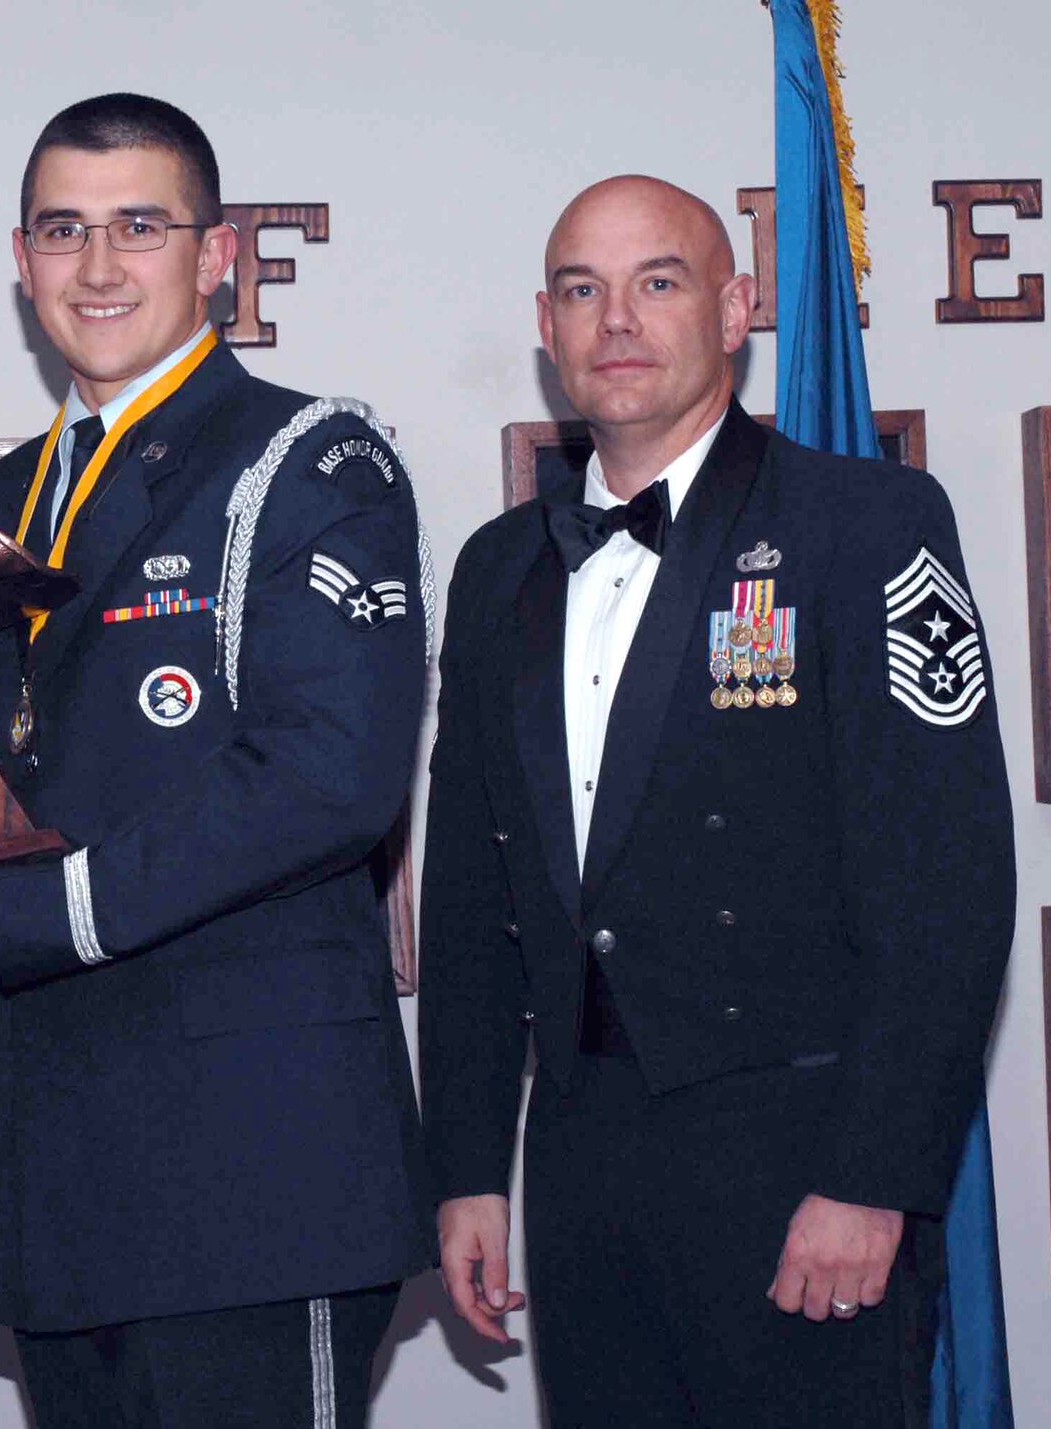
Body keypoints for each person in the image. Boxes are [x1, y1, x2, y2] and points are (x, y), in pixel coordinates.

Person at [0, 94, 434, 1426]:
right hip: (64, 1167)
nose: (101, 266)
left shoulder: (311, 460)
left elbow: (334, 775)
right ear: (22, 263)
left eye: (141, 225)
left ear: (220, 252)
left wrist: (31, 907)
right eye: (64, 230)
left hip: (260, 1171)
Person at [419, 174, 1015, 1426]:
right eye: (582, 290)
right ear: (545, 322)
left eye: (658, 281)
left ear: (735, 308)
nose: (615, 320)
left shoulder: (864, 523)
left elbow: (947, 884)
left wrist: (872, 1177)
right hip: (581, 1170)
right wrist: (467, 1163)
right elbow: (477, 901)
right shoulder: (495, 571)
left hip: (801, 1164)